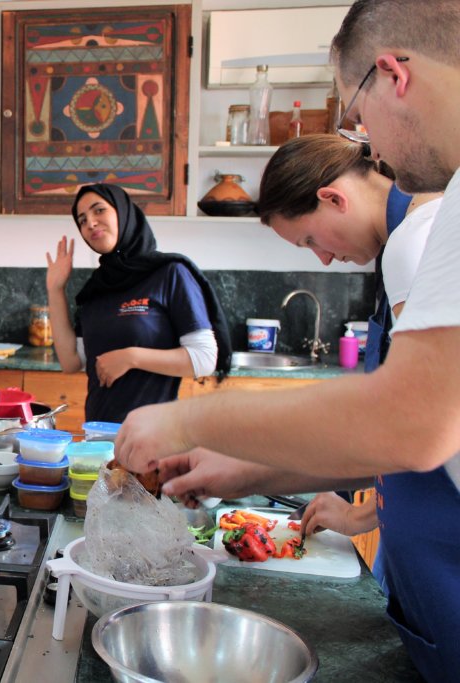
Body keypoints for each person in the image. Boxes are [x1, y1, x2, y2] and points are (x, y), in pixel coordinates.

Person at [114, 2, 460, 678]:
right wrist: (247, 467)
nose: (370, 142)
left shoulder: (424, 232)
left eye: (359, 115)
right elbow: (408, 437)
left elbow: (410, 424)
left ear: (393, 75)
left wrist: (183, 415)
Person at [255, 134, 439, 574]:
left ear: (333, 198)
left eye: (309, 240)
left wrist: (358, 515)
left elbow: (433, 419)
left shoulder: (413, 245)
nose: (322, 259)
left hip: (437, 534)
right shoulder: (408, 236)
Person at [45, 183, 232, 424]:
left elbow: (205, 358)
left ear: (123, 212)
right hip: (99, 437)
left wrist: (131, 357)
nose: (90, 223)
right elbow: (72, 361)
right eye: (82, 220)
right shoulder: (97, 288)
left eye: (99, 210)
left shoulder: (170, 274)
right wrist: (55, 289)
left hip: (154, 435)